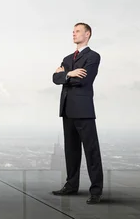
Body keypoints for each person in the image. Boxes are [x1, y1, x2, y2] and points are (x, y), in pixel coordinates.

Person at [51, 22, 103, 204]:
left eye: (78, 31)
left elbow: (84, 80)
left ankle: (96, 191)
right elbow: (54, 78)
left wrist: (66, 76)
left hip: (83, 110)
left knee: (91, 151)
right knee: (71, 151)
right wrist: (70, 74)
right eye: (73, 31)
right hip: (67, 110)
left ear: (87, 34)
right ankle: (71, 185)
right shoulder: (67, 59)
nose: (74, 34)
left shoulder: (93, 57)